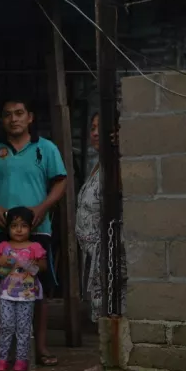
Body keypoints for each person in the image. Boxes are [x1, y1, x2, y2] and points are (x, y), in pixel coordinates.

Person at [0, 98, 68, 366]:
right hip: (0, 229)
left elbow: (61, 181)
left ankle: (40, 349)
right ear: (2, 120)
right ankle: (0, 351)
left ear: (30, 117)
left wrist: (43, 207)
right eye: (7, 115)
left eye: (19, 113)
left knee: (38, 287)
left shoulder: (45, 148)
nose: (13, 119)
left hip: (38, 230)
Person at [76, 113, 126, 321]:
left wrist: (119, 150)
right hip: (97, 257)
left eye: (101, 129)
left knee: (117, 317)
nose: (95, 133)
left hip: (113, 256)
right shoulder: (100, 163)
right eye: (93, 128)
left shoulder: (118, 162)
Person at [0, 207, 47, 371]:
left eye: (23, 225)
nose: (19, 229)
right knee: (6, 326)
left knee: (23, 328)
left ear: (31, 227)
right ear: (8, 228)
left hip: (27, 295)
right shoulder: (3, 246)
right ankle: (2, 359)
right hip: (6, 294)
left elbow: (43, 268)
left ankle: (21, 360)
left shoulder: (35, 247)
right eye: (14, 225)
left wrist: (32, 263)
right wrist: (0, 261)